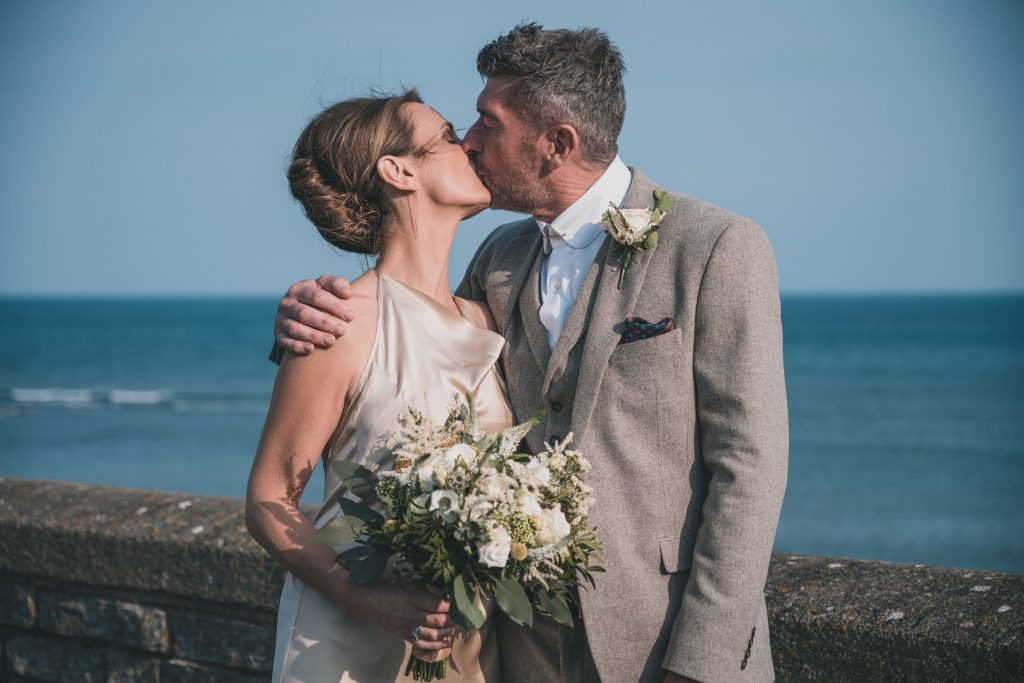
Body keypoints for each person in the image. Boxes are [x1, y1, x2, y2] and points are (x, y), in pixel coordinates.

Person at [272, 23, 788, 683]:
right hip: (517, 650)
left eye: (488, 122)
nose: (471, 140)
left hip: (660, 642)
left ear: (557, 143)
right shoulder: (498, 259)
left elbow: (750, 468)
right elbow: (403, 347)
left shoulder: (715, 247)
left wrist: (702, 665)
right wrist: (305, 314)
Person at [246, 90, 510, 682]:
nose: (469, 142)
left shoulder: (484, 317)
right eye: (446, 135)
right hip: (352, 641)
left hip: (464, 640)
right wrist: (370, 600)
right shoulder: (341, 320)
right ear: (399, 170)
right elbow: (268, 500)